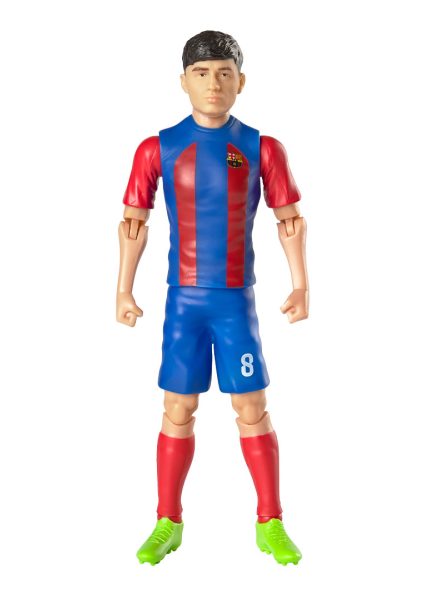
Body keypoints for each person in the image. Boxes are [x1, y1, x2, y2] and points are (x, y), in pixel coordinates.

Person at [117, 30, 309, 566]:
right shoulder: (156, 148)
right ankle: (167, 521)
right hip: (183, 302)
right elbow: (133, 222)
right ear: (183, 81)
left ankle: (271, 522)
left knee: (251, 406)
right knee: (177, 407)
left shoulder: (262, 147)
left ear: (241, 82)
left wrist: (301, 283)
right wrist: (123, 289)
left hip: (234, 303)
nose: (213, 83)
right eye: (201, 73)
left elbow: (289, 219)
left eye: (224, 73)